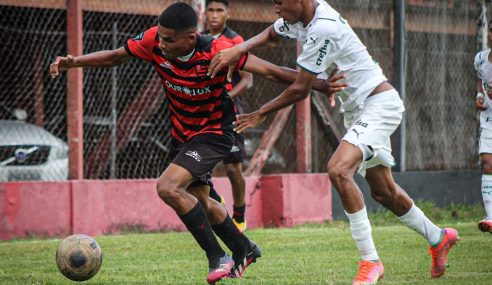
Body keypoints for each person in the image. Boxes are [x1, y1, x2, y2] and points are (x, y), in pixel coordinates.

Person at [50, 2, 343, 284]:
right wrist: (74, 62)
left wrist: (319, 84)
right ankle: (244, 248)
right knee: (203, 200)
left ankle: (218, 257)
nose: (161, 45)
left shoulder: (219, 50)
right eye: (160, 37)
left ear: (190, 38)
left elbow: (270, 71)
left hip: (215, 131)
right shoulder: (155, 40)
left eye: (169, 40)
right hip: (183, 135)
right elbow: (116, 56)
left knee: (168, 187)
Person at [208, 0, 460, 284]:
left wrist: (260, 113)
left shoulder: (322, 27)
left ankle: (370, 261)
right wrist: (240, 48)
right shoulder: (302, 15)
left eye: (279, 3)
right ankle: (439, 238)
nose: (276, 9)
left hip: (378, 105)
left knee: (338, 169)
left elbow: (301, 88)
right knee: (383, 192)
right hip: (357, 112)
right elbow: (271, 33)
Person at [203, 0, 253, 232]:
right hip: (202, 110)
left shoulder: (235, 41)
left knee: (233, 167)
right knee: (198, 163)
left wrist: (227, 96)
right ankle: (215, 198)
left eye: (219, 11)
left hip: (228, 111)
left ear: (228, 14)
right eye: (210, 10)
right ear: (204, 13)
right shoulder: (198, 39)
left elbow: (248, 79)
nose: (214, 15)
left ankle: (240, 215)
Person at [474, 19, 492, 234]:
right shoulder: (480, 58)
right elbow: (480, 79)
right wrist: (480, 95)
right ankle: (490, 217)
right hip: (488, 119)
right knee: (487, 164)